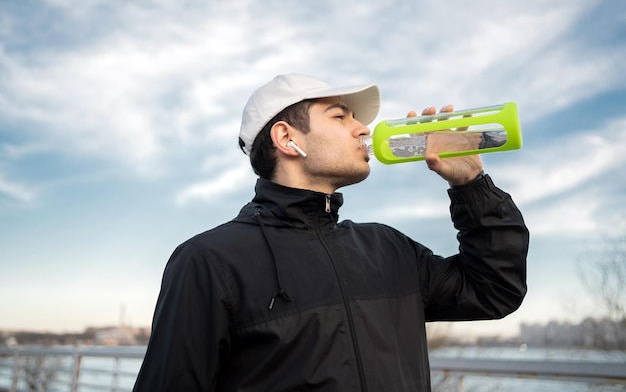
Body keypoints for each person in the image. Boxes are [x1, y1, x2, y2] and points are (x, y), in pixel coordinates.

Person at [133, 73, 529, 392]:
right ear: (287, 138)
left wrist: (471, 186)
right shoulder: (210, 261)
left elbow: (493, 291)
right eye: (341, 116)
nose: (363, 130)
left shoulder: (387, 247)